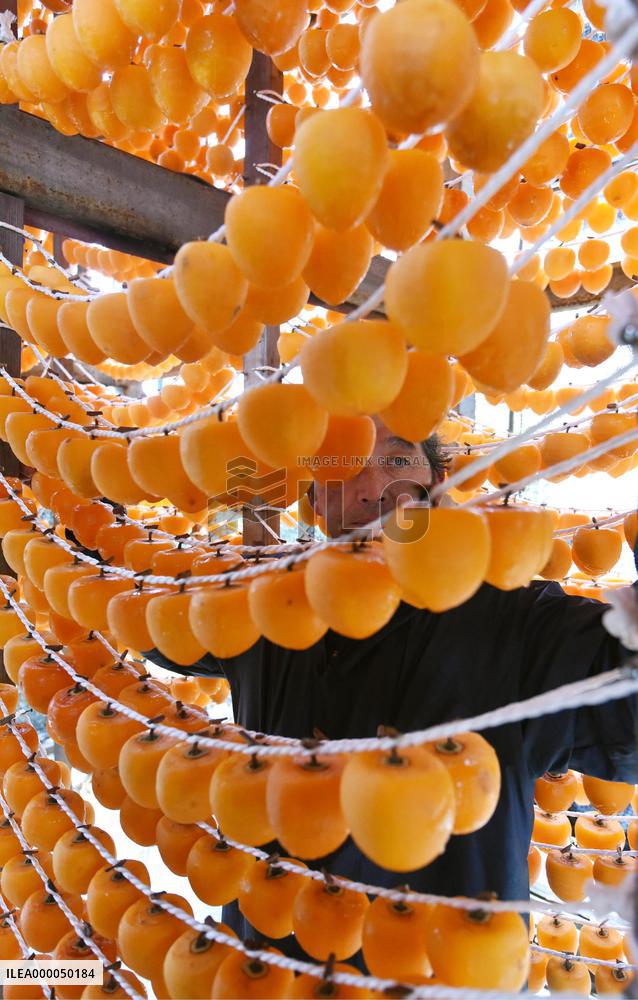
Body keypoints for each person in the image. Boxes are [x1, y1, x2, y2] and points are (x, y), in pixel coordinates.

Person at [144, 418, 638, 962]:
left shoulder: (519, 625)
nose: (369, 490)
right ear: (312, 496)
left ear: (440, 485)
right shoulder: (263, 605)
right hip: (257, 968)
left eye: (398, 462)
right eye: (340, 465)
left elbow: (625, 699)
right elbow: (153, 620)